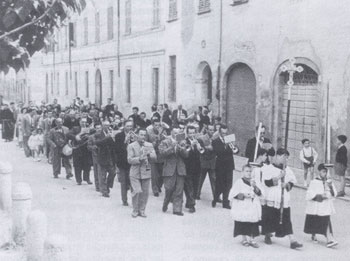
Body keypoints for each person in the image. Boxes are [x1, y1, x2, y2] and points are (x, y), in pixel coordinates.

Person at [260, 148, 303, 249]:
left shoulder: (288, 169)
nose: (285, 160)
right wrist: (279, 177)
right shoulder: (269, 168)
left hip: (284, 198)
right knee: (270, 216)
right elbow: (267, 182)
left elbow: (292, 182)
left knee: (286, 218)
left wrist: (287, 185)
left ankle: (292, 240)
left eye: (287, 158)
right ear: (278, 156)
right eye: (284, 157)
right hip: (272, 195)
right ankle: (267, 235)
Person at [304, 163, 338, 248]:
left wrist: (330, 187)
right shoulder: (314, 182)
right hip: (316, 205)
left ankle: (329, 239)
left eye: (326, 172)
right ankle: (314, 235)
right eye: (323, 172)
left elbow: (334, 194)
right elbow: (309, 195)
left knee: (326, 221)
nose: (325, 174)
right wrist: (319, 196)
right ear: (319, 171)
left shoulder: (328, 182)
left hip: (325, 206)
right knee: (314, 220)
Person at [229, 165, 263, 248]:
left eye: (250, 171)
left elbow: (260, 193)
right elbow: (233, 194)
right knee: (243, 221)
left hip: (252, 205)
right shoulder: (239, 182)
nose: (249, 173)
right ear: (243, 172)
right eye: (247, 171)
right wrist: (243, 195)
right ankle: (244, 238)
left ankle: (252, 239)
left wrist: (254, 186)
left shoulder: (254, 181)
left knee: (253, 222)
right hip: (243, 205)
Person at [159, 126, 189, 216]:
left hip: (180, 169)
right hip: (169, 169)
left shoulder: (182, 141)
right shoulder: (165, 141)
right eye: (175, 132)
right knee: (169, 189)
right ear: (171, 132)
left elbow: (186, 155)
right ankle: (166, 202)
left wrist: (181, 148)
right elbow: (162, 154)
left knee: (179, 190)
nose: (176, 134)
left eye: (178, 133)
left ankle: (177, 210)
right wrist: (172, 147)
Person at [127, 128, 156, 218]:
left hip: (146, 170)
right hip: (134, 172)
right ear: (137, 135)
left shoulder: (149, 145)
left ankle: (142, 210)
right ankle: (135, 210)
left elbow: (155, 158)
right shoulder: (131, 146)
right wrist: (139, 158)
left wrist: (149, 154)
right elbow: (129, 160)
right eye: (141, 134)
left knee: (145, 193)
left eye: (144, 135)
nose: (143, 137)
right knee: (137, 191)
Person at [212, 124, 235, 209]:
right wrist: (226, 145)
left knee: (228, 185)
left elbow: (236, 150)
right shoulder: (215, 141)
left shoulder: (230, 139)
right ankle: (215, 198)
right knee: (220, 185)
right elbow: (218, 151)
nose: (224, 135)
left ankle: (226, 203)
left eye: (226, 133)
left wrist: (233, 146)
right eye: (223, 133)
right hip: (220, 165)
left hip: (229, 165)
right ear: (219, 132)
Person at [94, 121, 117, 198]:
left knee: (113, 173)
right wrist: (106, 138)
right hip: (102, 157)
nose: (107, 127)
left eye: (108, 125)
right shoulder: (98, 134)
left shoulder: (111, 133)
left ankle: (107, 186)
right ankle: (104, 191)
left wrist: (113, 138)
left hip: (110, 157)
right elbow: (97, 143)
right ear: (102, 126)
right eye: (105, 125)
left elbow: (114, 145)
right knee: (102, 175)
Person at [114, 120, 134, 205]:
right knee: (124, 182)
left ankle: (134, 201)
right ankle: (124, 200)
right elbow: (117, 150)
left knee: (133, 182)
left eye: (131, 126)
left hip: (132, 163)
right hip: (122, 162)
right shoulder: (119, 136)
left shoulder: (134, 136)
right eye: (128, 126)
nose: (129, 128)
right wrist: (125, 141)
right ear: (124, 126)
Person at [68, 121, 93, 186]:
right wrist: (76, 136)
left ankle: (87, 179)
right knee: (77, 165)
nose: (84, 123)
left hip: (86, 150)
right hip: (77, 149)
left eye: (85, 122)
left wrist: (89, 137)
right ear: (79, 122)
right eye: (82, 122)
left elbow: (94, 134)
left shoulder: (89, 129)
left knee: (87, 165)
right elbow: (68, 134)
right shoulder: (75, 128)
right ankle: (79, 180)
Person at [184, 125, 201, 213]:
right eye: (190, 133)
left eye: (193, 133)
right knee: (189, 187)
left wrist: (198, 147)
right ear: (187, 134)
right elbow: (185, 154)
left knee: (195, 187)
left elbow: (203, 152)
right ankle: (191, 205)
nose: (192, 135)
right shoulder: (184, 141)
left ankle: (189, 201)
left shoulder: (198, 141)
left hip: (197, 168)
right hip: (187, 167)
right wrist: (191, 145)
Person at [197, 124, 216, 200]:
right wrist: (208, 148)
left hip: (212, 162)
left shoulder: (215, 138)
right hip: (204, 161)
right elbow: (201, 150)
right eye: (210, 130)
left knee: (214, 179)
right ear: (207, 130)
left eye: (213, 130)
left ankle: (216, 196)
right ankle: (197, 194)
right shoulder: (201, 138)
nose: (212, 131)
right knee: (200, 179)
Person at [146, 118, 165, 197]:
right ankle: (155, 190)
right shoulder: (149, 132)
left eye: (158, 125)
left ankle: (159, 185)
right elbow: (146, 143)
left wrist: (161, 135)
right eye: (155, 125)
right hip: (152, 154)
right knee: (154, 174)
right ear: (152, 125)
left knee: (162, 174)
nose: (157, 126)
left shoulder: (163, 132)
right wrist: (154, 142)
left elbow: (165, 142)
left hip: (161, 155)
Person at [87, 124, 101, 192]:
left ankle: (102, 184)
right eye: (97, 128)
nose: (99, 129)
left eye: (100, 128)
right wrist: (93, 147)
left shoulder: (104, 136)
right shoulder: (91, 137)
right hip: (95, 156)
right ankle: (98, 186)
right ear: (95, 129)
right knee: (97, 171)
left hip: (104, 156)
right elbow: (88, 146)